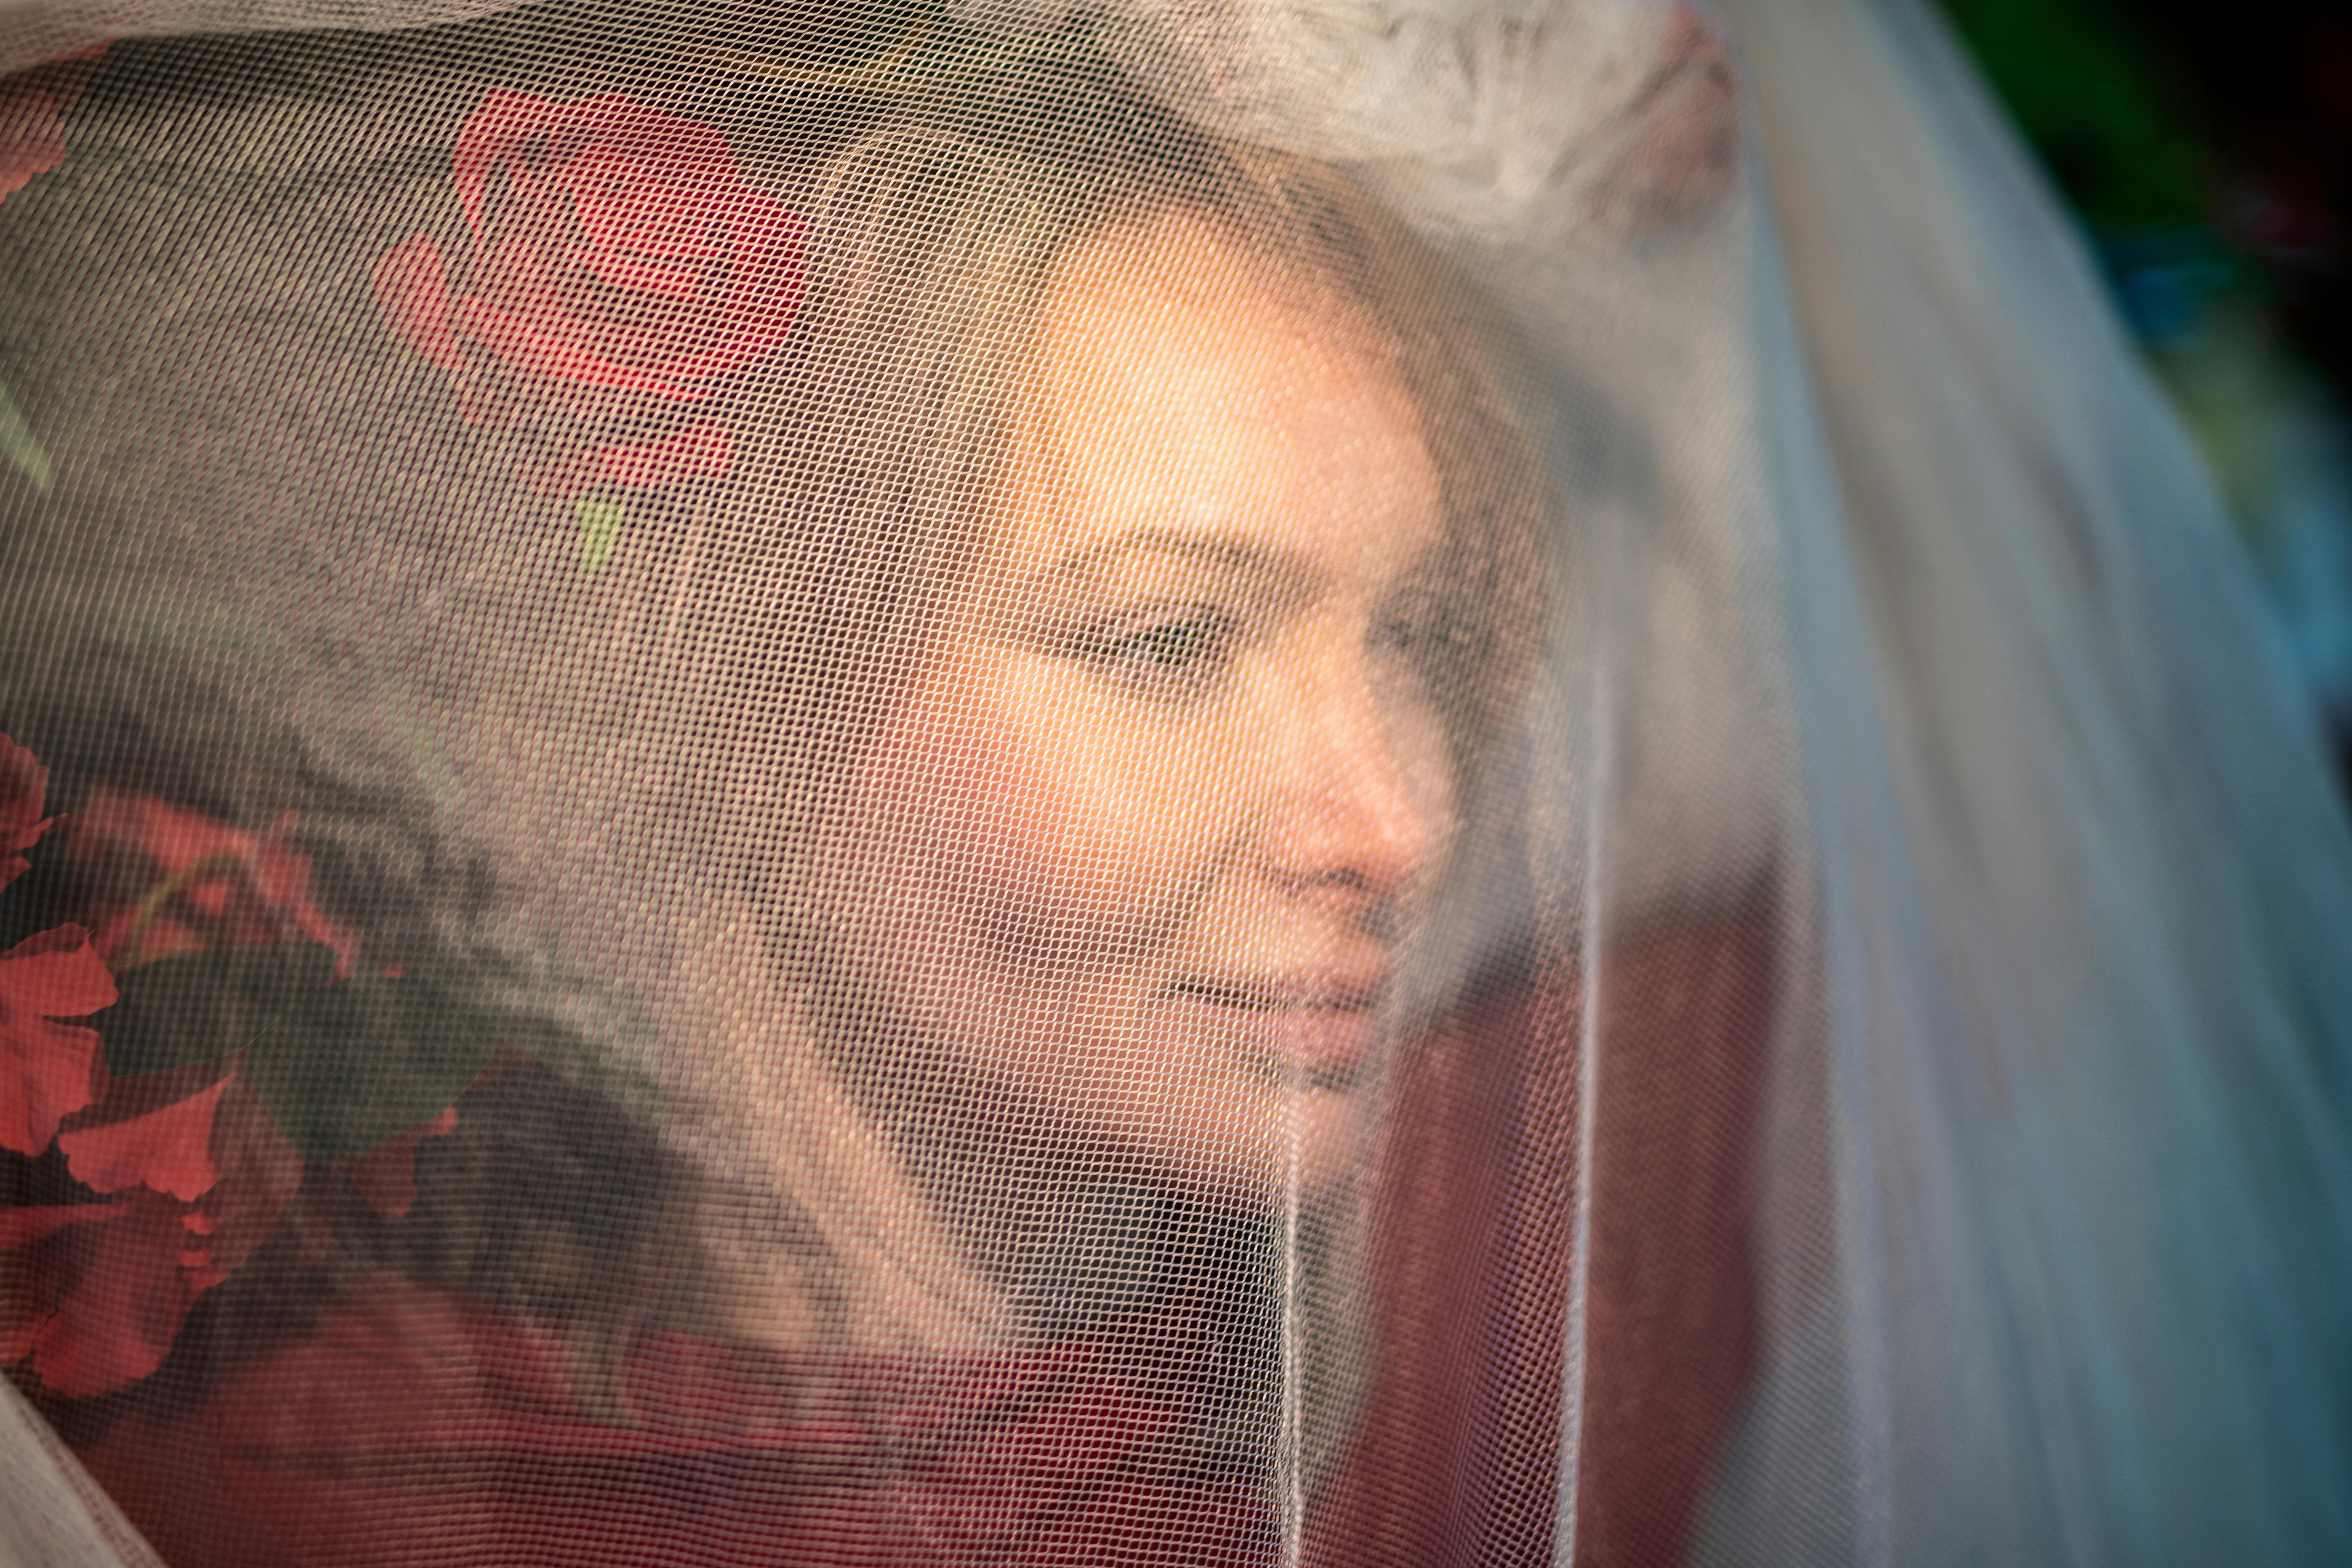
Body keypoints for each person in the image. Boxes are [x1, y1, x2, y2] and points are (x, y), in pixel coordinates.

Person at [3, 0, 2350, 1565]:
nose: (1399, 815)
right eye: (1169, 637)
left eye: (1416, 637)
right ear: (709, 666)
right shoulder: (244, 1474)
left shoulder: (1570, 1232)